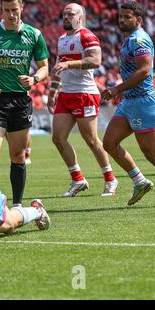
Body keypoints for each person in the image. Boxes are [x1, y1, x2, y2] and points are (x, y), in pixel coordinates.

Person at [0, 0, 49, 207]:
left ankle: (17, 205)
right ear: (1, 10)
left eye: (14, 10)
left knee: (18, 155)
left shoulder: (34, 34)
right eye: (7, 10)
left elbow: (44, 67)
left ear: (21, 7)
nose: (11, 15)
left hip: (20, 101)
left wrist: (35, 79)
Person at [47, 3, 118, 197]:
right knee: (58, 138)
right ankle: (78, 179)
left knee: (91, 140)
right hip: (66, 94)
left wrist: (69, 63)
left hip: (84, 93)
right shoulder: (62, 39)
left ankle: (111, 179)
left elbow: (95, 61)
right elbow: (57, 68)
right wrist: (53, 91)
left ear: (80, 17)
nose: (66, 17)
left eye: (70, 14)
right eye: (64, 14)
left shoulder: (86, 35)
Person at [102, 1, 154, 205]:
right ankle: (140, 181)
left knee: (150, 152)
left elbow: (144, 71)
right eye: (120, 16)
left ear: (138, 19)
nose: (122, 20)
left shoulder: (139, 40)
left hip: (142, 102)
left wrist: (117, 89)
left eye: (127, 17)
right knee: (109, 143)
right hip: (129, 101)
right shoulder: (129, 39)